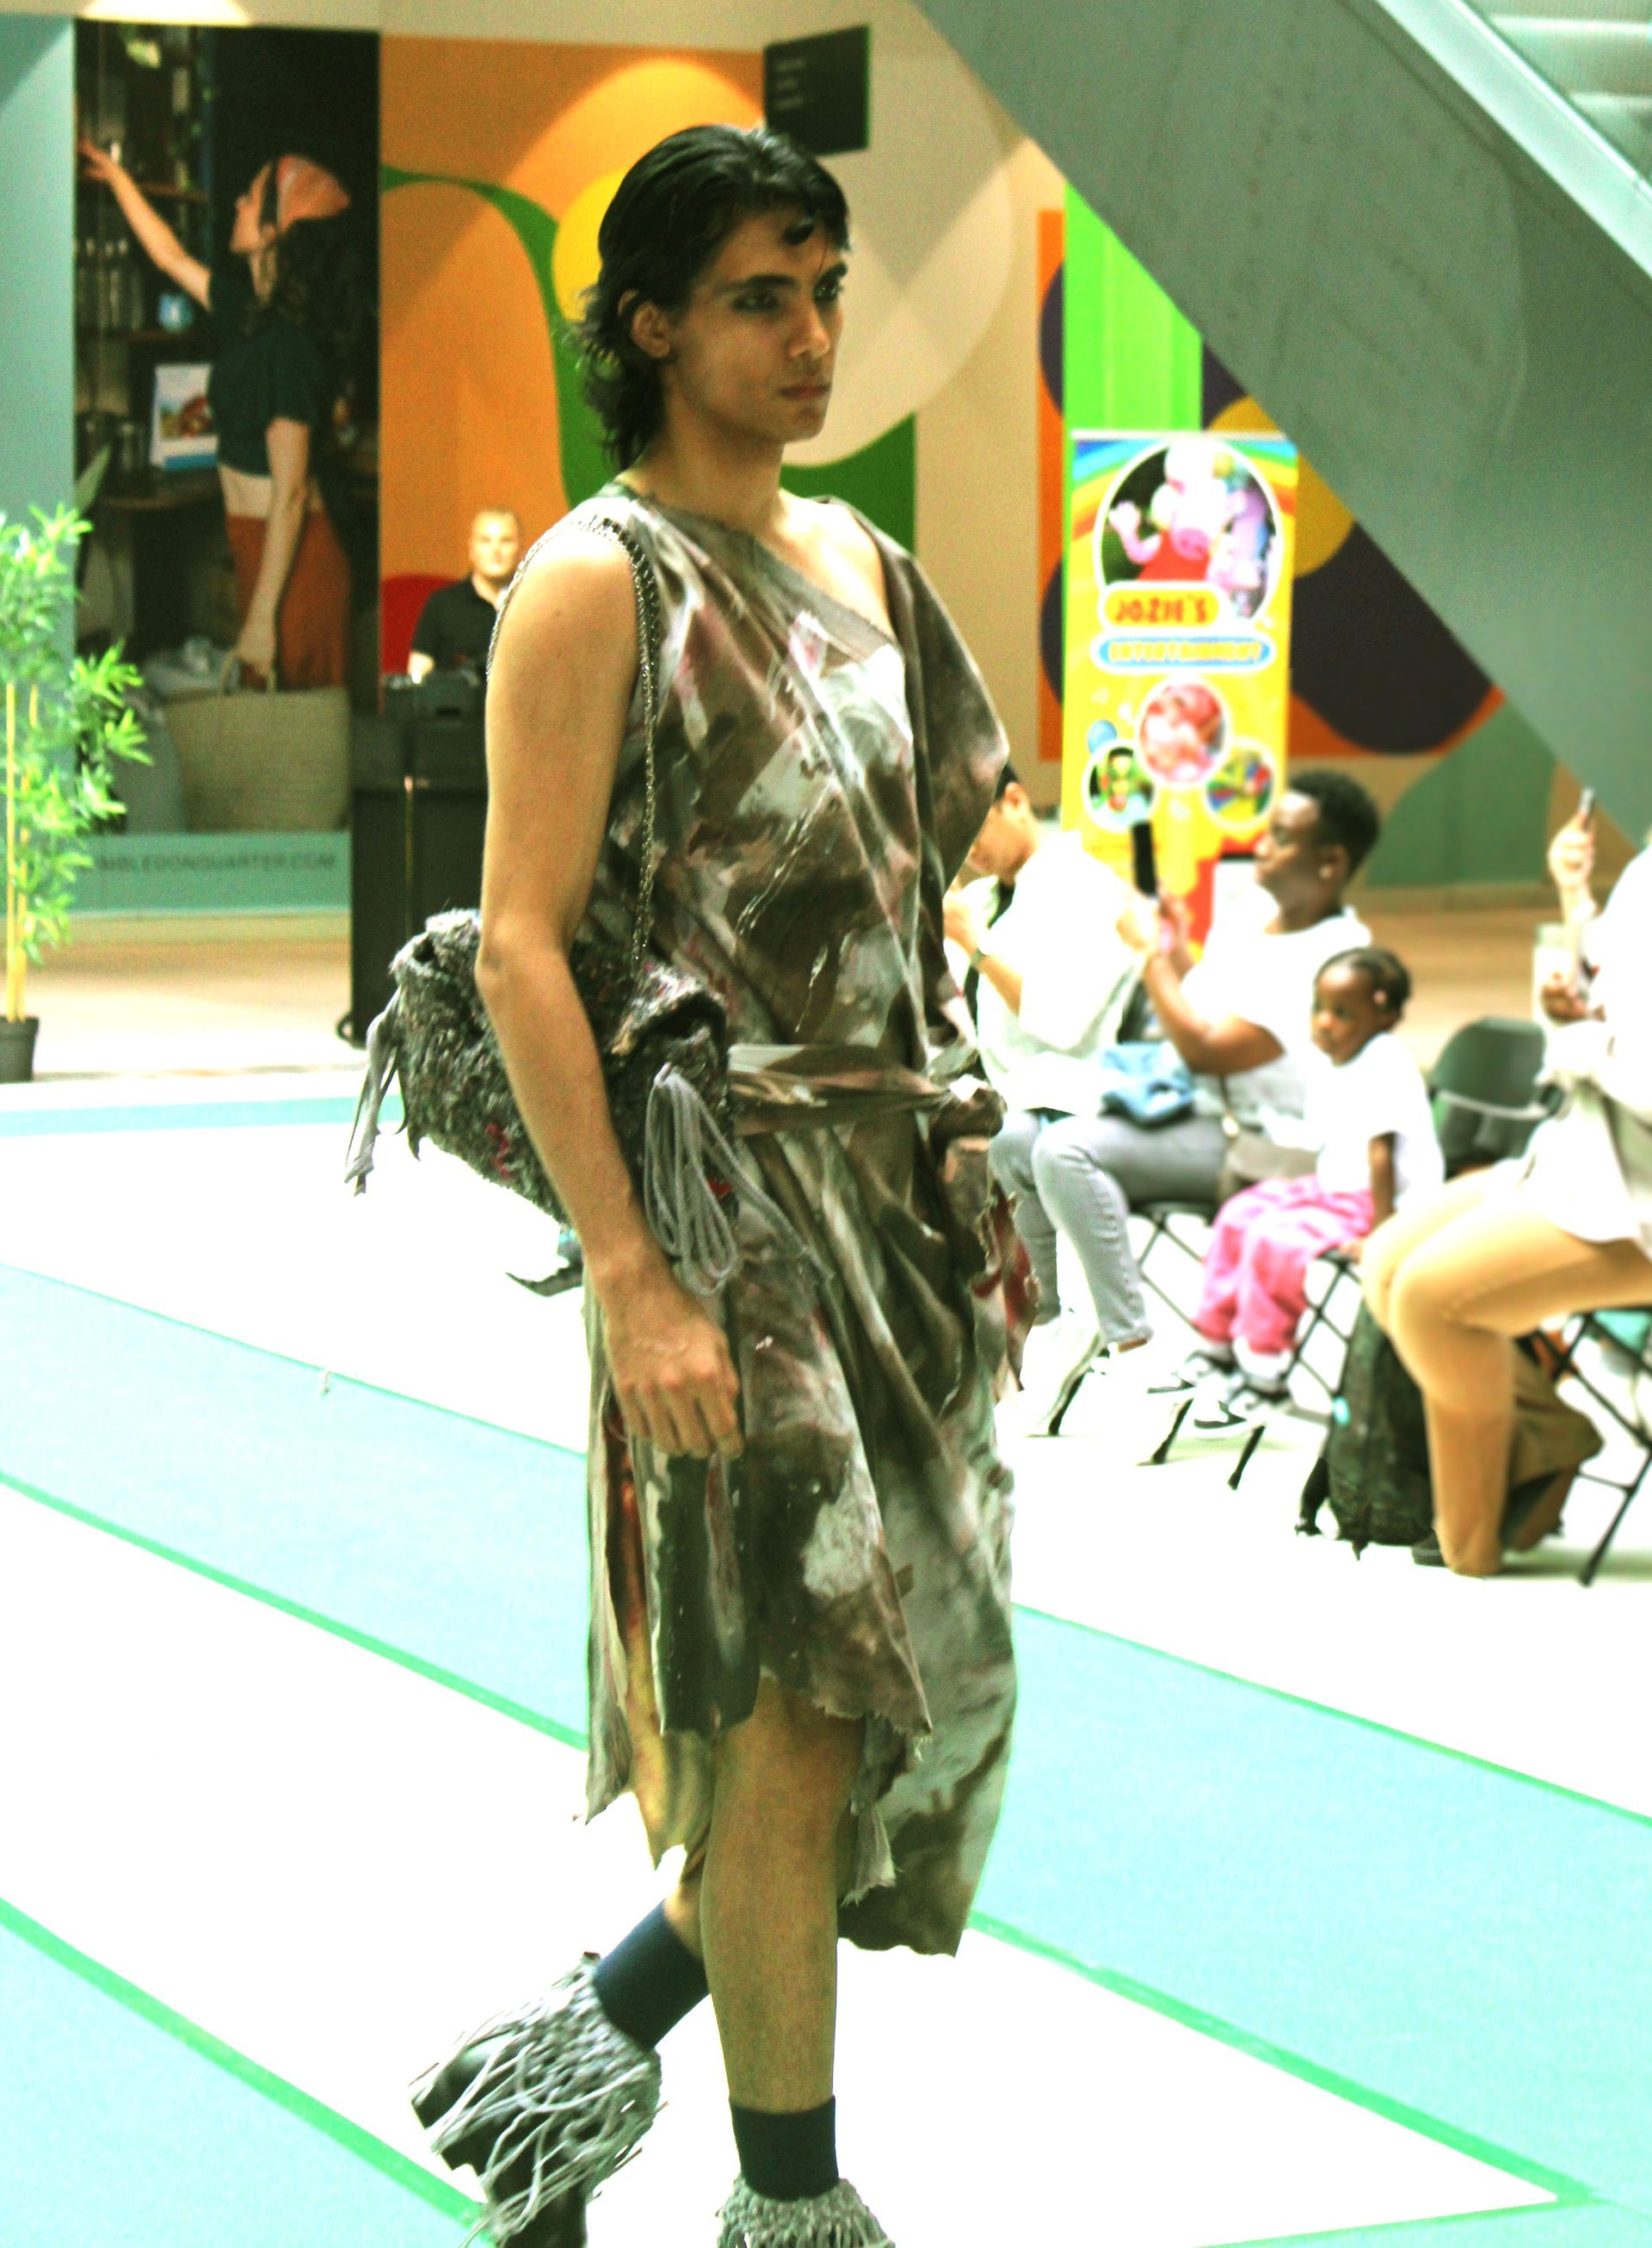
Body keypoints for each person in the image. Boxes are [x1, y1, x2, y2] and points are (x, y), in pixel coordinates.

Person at [410, 126, 1024, 2248]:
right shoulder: (600, 578)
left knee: (893, 1702)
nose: (813, 335)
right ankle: (792, 2204)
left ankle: (569, 2068)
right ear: (653, 323)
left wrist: (1006, 1128)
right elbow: (517, 946)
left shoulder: (866, 559)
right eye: (764, 296)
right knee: (795, 1705)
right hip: (725, 1213)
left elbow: (951, 850)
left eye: (827, 290)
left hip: (901, 1211)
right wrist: (632, 1274)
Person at [1364, 807, 1652, 1575]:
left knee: (1429, 1298)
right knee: (1386, 1263)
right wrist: (1575, 898)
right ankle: (1547, 1435)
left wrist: (1581, 1044)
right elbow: (1612, 986)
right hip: (1584, 1156)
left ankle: (1471, 1546)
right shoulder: (1644, 869)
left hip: (1635, 1204)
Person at [1008, 770, 1378, 1364]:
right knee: (1015, 1135)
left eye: (1283, 838)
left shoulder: (1336, 959)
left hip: (1259, 1139)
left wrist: (1147, 954)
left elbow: (1210, 1048)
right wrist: (1175, 947)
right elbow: (1198, 998)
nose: (1262, 846)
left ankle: (1133, 1348)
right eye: (1269, 830)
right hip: (1185, 1098)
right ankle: (1052, 1323)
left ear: (1331, 862)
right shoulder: (1256, 909)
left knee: (1064, 1151)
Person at [78, 142, 360, 688]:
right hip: (259, 544)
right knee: (271, 715)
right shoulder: (247, 313)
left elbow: (292, 492)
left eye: (250, 198)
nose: (236, 204)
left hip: (297, 564)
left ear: (275, 231)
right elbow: (170, 256)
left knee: (294, 727)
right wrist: (115, 176)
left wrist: (261, 619)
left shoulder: (289, 344)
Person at [942, 766, 1139, 1394]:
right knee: (994, 1138)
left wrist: (976, 947)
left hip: (1084, 1091)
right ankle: (1045, 1323)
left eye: (973, 829)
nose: (968, 850)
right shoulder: (980, 901)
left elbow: (1062, 1022)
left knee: (1029, 1144)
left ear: (1016, 801)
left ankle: (1104, 1334)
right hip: (1008, 1096)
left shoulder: (1087, 887)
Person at [1187, 947, 1442, 1406]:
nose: (1324, 1023)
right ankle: (1215, 1346)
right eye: (1319, 1008)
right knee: (1239, 1215)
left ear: (1382, 1016)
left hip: (1381, 1202)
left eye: (1343, 1014)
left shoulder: (1386, 1061)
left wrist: (1382, 1234)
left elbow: (1381, 1154)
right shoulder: (1334, 1057)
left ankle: (1264, 1371)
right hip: (1335, 1186)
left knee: (1274, 1239)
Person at [408, 507, 522, 679]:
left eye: (505, 541)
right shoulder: (441, 605)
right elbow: (418, 676)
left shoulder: (535, 604)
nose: (495, 550)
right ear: (471, 549)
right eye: (485, 541)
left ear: (521, 548)